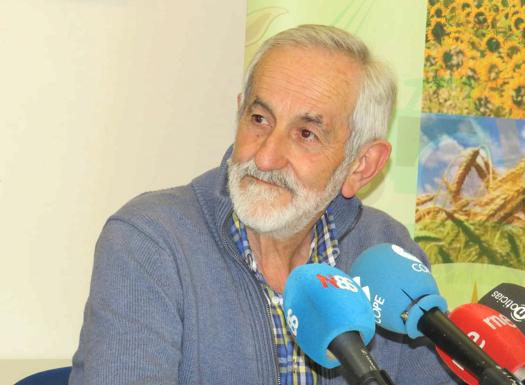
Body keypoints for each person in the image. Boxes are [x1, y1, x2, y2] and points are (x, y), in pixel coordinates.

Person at [69, 24, 457, 385]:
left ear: (361, 164)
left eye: (306, 133)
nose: (267, 157)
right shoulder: (150, 242)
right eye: (259, 118)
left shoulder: (385, 250)